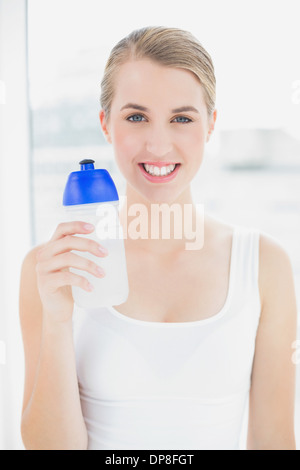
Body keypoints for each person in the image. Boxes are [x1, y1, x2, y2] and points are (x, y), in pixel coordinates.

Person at [19, 26, 298, 450]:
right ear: (105, 124)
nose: (159, 143)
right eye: (136, 117)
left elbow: (274, 442)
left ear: (210, 126)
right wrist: (58, 322)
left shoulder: (263, 265)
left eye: (182, 118)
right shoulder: (53, 267)